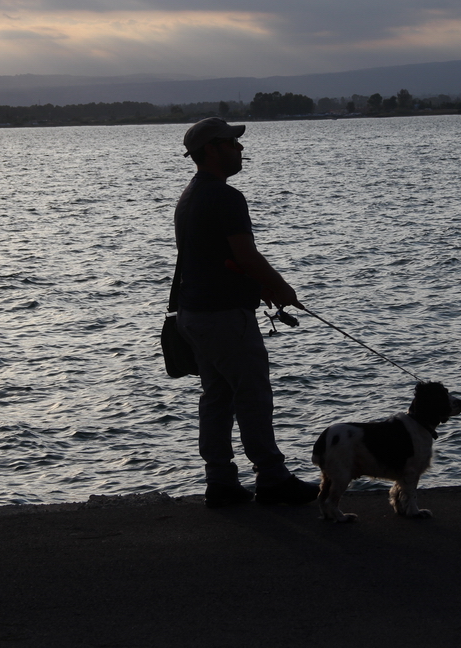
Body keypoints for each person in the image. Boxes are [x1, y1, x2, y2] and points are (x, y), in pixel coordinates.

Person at [173, 117, 320, 508]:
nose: (240, 149)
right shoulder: (226, 197)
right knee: (252, 395)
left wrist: (258, 285)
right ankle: (271, 478)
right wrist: (282, 287)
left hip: (196, 314)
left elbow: (216, 261)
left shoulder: (191, 195)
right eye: (232, 143)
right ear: (212, 150)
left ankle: (220, 483)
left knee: (217, 397)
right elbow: (245, 254)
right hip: (223, 318)